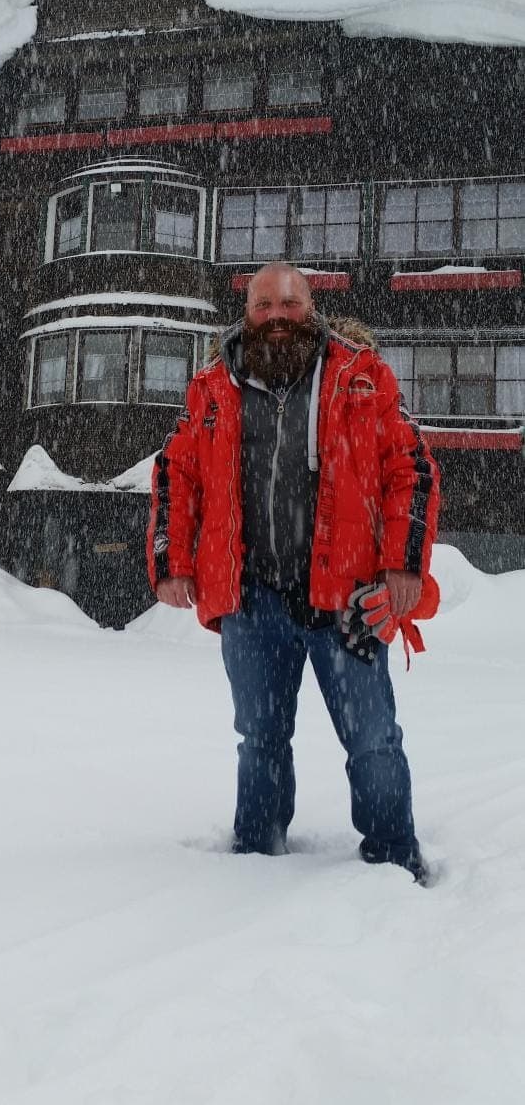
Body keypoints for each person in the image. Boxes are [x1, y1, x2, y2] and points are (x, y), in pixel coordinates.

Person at [147, 262, 440, 882]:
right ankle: (256, 860)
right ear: (247, 313)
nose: (277, 316)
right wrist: (173, 563)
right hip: (252, 599)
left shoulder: (361, 377)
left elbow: (411, 468)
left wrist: (403, 564)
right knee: (259, 738)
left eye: (289, 303)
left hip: (348, 598)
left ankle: (393, 859)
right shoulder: (211, 388)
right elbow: (177, 472)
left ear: (311, 308)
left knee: (372, 739)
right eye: (264, 305)